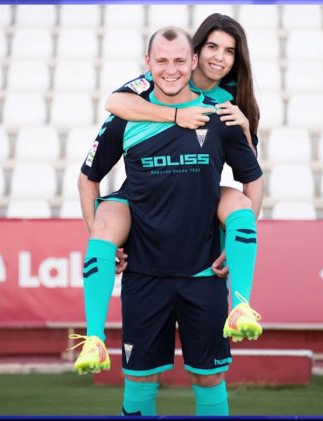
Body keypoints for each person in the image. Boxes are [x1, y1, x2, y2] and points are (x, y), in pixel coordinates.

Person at [73, 27, 263, 416]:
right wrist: (101, 239)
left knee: (209, 379)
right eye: (161, 60)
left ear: (192, 62)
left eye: (179, 60)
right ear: (148, 63)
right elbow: (87, 179)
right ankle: (93, 338)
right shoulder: (126, 117)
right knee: (140, 380)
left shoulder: (219, 114)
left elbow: (253, 178)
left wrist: (233, 242)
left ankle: (242, 306)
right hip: (144, 275)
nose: (171, 69)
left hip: (203, 275)